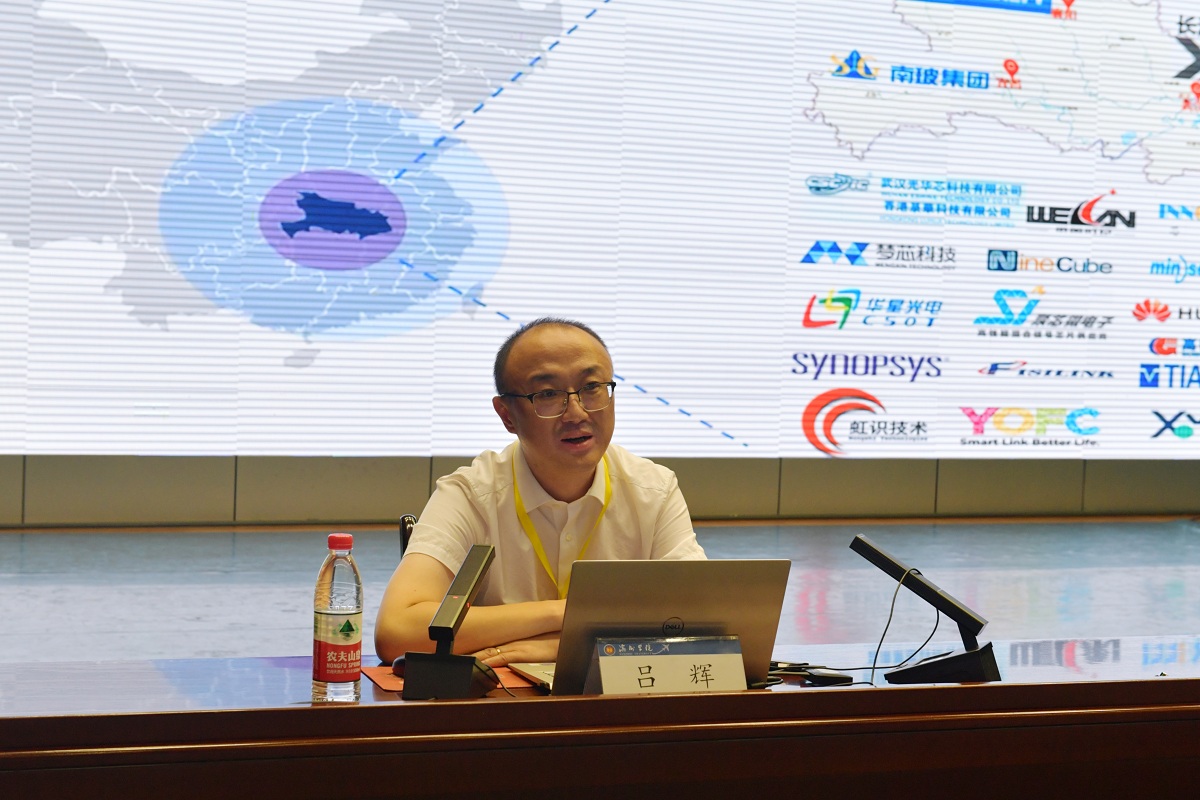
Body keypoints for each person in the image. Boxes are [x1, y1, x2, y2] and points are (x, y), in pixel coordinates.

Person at [374, 318, 705, 667]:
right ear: (507, 415)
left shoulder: (653, 490)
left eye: (592, 387)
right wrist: (568, 614)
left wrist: (562, 647)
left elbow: (704, 620)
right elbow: (396, 632)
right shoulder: (471, 495)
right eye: (548, 394)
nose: (576, 412)